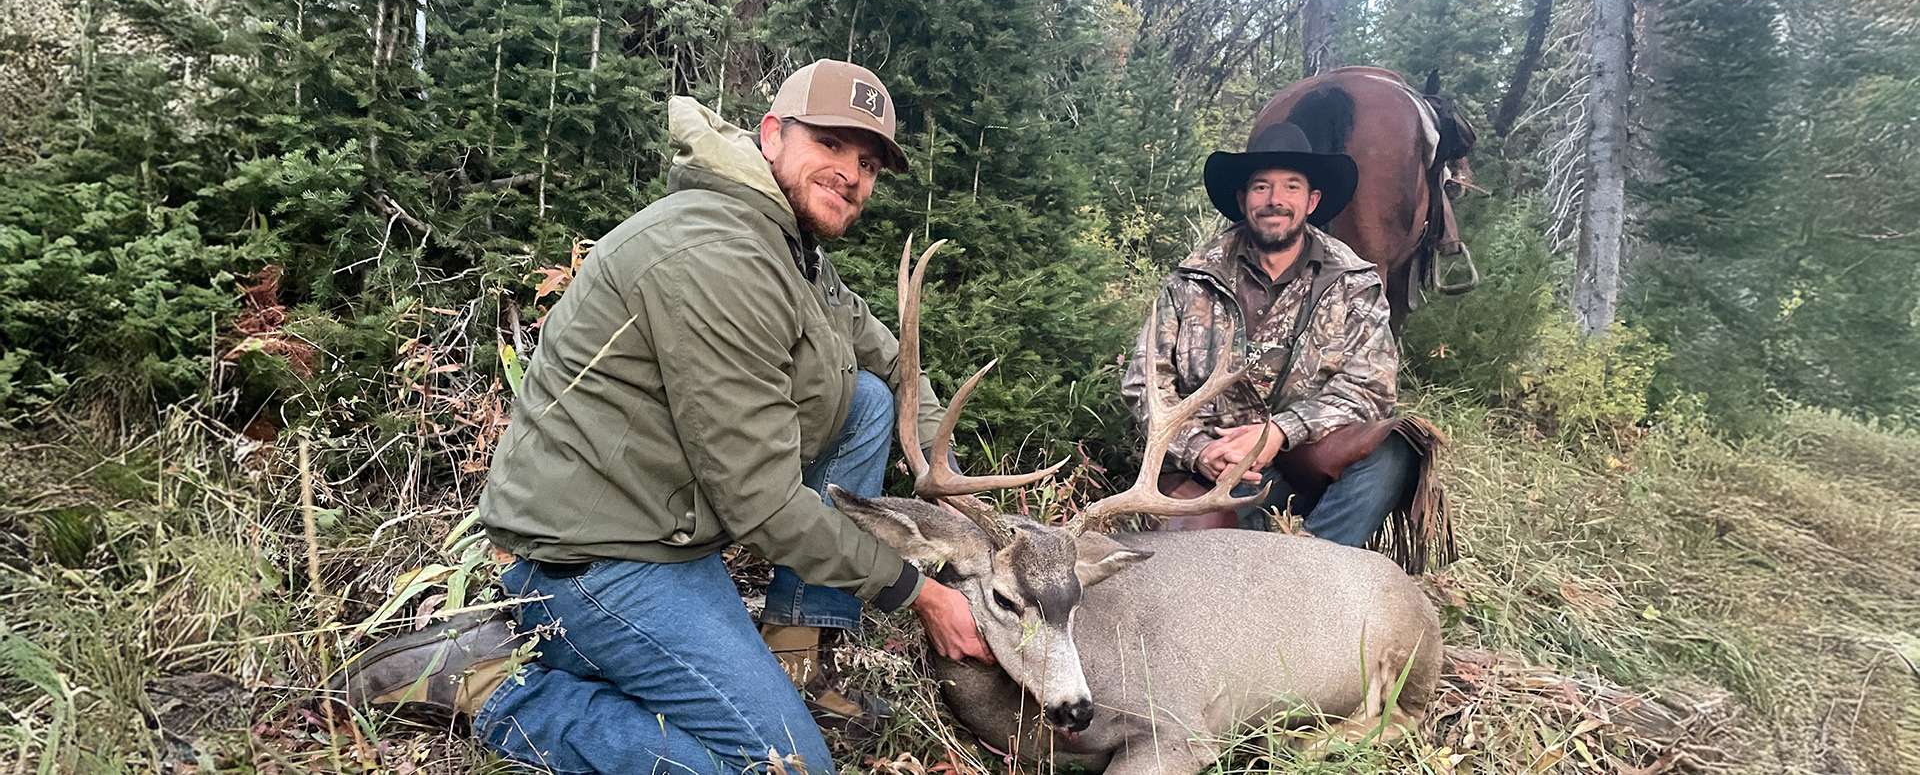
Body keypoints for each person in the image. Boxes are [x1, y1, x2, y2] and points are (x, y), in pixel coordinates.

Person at [330, 60, 993, 774]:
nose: (851, 174)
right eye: (829, 145)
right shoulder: (719, 256)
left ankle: (797, 656)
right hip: (594, 563)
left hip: (665, 531)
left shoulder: (791, 251)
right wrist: (916, 590)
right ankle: (487, 686)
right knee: (784, 769)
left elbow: (895, 368)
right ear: (772, 134)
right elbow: (763, 504)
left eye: (866, 162)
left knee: (862, 398)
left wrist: (945, 474)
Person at [1120, 121, 1421, 545]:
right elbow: (1143, 383)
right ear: (1243, 200)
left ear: (1312, 201)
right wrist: (1198, 450)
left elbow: (1371, 388)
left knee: (1395, 449)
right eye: (1261, 187)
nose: (1275, 200)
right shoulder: (1192, 281)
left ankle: (1317, 568)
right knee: (1194, 565)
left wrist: (1280, 433)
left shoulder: (1352, 282)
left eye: (1291, 187)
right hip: (1210, 469)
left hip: (1303, 457)